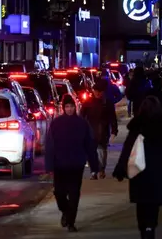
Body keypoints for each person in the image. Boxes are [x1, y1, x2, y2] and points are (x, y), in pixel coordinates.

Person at [113, 96, 162, 239]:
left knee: (141, 205)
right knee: (153, 206)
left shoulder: (137, 126)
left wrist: (121, 169)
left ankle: (144, 230)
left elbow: (127, 149)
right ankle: (150, 229)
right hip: (156, 171)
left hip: (138, 170)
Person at [45, 93, 99, 232]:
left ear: (75, 107)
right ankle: (66, 212)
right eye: (67, 106)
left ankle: (71, 222)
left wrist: (94, 166)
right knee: (59, 193)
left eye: (71, 106)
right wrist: (49, 165)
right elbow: (50, 145)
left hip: (76, 164)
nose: (69, 109)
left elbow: (89, 145)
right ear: (63, 108)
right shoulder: (56, 123)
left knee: (74, 194)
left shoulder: (82, 123)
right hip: (60, 165)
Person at [81, 83, 118, 179]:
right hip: (90, 130)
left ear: (103, 92)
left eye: (99, 92)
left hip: (103, 131)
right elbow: (81, 116)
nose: (97, 93)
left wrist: (114, 131)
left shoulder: (107, 103)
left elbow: (113, 118)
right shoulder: (88, 102)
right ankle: (94, 171)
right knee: (91, 152)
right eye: (95, 91)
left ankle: (101, 169)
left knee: (102, 151)